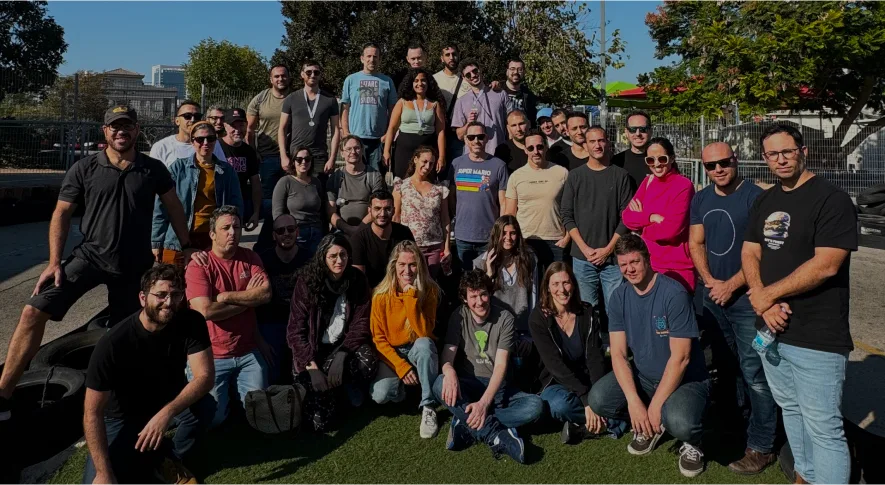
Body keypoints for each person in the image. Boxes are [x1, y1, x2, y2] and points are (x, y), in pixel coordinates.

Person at [0, 106, 191, 421]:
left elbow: (174, 206)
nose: (121, 131)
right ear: (105, 131)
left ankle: (134, 404)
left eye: (127, 126)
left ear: (137, 130)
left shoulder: (152, 169)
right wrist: (54, 262)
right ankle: (4, 395)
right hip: (89, 257)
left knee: (136, 332)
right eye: (115, 126)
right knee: (32, 311)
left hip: (134, 265)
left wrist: (188, 245)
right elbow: (61, 213)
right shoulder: (84, 168)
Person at [741, 124, 857, 485]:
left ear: (803, 151)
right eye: (772, 154)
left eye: (787, 151)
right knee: (790, 410)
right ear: (764, 158)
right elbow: (750, 251)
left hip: (816, 335)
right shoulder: (765, 200)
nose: (781, 159)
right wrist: (763, 301)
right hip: (771, 331)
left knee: (824, 427)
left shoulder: (831, 199)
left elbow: (827, 264)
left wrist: (768, 295)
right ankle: (804, 477)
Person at [588, 235, 711, 478]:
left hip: (685, 381)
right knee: (598, 399)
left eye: (634, 262)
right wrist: (634, 401)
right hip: (644, 377)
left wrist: (655, 404)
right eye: (623, 264)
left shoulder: (673, 294)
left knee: (681, 423)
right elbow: (619, 354)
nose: (629, 269)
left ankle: (692, 440)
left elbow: (681, 358)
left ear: (647, 259)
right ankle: (647, 422)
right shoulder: (619, 297)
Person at [82, 264, 215, 484]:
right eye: (161, 295)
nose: (169, 302)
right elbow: (92, 413)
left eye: (176, 295)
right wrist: (103, 473)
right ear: (143, 298)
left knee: (205, 407)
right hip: (121, 416)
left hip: (167, 401)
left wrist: (166, 413)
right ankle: (149, 457)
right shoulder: (113, 343)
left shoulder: (191, 321)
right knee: (100, 479)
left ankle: (169, 458)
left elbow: (205, 377)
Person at [688, 142, 774, 474]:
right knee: (726, 367)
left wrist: (731, 285)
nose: (718, 169)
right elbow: (696, 242)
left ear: (736, 160)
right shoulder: (701, 199)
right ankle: (737, 426)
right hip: (712, 296)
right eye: (711, 165)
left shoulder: (755, 197)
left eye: (724, 162)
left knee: (754, 372)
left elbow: (764, 249)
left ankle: (762, 445)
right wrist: (710, 280)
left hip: (746, 300)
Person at [433, 269, 543, 463]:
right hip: (468, 383)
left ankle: (465, 421)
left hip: (498, 386)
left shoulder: (505, 318)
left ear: (490, 293)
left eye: (483, 294)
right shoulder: (458, 316)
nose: (480, 301)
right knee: (439, 384)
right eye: (473, 296)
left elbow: (500, 366)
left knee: (535, 406)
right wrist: (449, 371)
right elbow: (447, 356)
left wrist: (483, 404)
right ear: (465, 299)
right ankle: (497, 434)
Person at [185, 206, 272, 427]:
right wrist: (247, 300)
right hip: (212, 355)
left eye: (236, 227)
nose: (232, 232)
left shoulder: (251, 258)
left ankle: (234, 398)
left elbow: (265, 294)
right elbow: (205, 311)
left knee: (259, 415)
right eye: (225, 228)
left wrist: (225, 296)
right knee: (214, 419)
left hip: (247, 351)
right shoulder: (199, 265)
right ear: (212, 234)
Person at [288, 234, 377, 432]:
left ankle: (345, 387)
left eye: (343, 255)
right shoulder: (307, 282)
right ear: (323, 257)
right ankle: (334, 393)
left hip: (341, 347)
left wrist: (342, 355)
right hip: (312, 354)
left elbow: (361, 323)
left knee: (368, 361)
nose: (339, 261)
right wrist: (312, 369)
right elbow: (295, 331)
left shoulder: (357, 279)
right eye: (333, 256)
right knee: (319, 423)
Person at [529, 262, 617, 444]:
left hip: (587, 379)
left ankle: (583, 428)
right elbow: (555, 366)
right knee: (559, 405)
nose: (561, 290)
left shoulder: (587, 312)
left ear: (574, 285)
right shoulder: (538, 318)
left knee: (618, 388)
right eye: (555, 284)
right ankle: (612, 422)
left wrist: (596, 397)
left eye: (566, 283)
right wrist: (587, 401)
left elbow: (595, 358)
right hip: (556, 383)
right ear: (547, 287)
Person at [369, 241, 442, 438]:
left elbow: (424, 332)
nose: (407, 270)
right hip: (392, 353)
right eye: (402, 264)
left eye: (412, 264)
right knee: (380, 395)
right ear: (394, 265)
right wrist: (401, 367)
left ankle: (428, 405)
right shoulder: (380, 295)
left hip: (416, 347)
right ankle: (407, 389)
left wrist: (411, 297)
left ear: (420, 265)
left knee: (425, 345)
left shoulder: (430, 290)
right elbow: (378, 339)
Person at [153, 122, 244, 268]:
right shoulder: (178, 168)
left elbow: (236, 206)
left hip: (212, 239)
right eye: (200, 139)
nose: (205, 143)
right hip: (177, 238)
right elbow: (161, 206)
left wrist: (233, 234)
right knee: (172, 279)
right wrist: (156, 241)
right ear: (192, 141)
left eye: (210, 139)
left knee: (206, 280)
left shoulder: (227, 171)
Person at [561, 125, 631, 308]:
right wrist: (584, 249)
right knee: (587, 311)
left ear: (608, 143)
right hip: (583, 257)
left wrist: (608, 249)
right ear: (585, 145)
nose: (597, 145)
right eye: (592, 141)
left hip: (613, 258)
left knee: (616, 309)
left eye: (601, 140)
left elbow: (626, 217)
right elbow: (567, 215)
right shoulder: (575, 176)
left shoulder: (621, 176)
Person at [622, 137, 696, 293]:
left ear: (672, 158)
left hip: (677, 267)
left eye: (662, 159)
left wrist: (641, 229)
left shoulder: (683, 185)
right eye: (651, 160)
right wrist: (651, 217)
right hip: (649, 265)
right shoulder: (648, 182)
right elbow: (627, 217)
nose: (656, 164)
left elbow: (670, 230)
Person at [504, 131, 569, 273]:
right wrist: (513, 240)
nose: (536, 151)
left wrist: (567, 238)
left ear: (546, 147)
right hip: (525, 240)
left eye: (539, 147)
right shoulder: (516, 176)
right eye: (531, 148)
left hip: (556, 240)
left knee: (555, 285)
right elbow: (510, 213)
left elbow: (571, 208)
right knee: (528, 284)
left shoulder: (562, 173)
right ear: (525, 150)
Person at [473, 216, 538, 356]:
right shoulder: (480, 263)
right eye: (504, 233)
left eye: (512, 233)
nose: (508, 238)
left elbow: (534, 297)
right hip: (494, 330)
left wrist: (530, 334)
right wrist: (488, 274)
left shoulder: (529, 259)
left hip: (522, 330)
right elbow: (478, 303)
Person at [258, 214, 311, 383]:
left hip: (301, 324)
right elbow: (254, 303)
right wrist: (259, 340)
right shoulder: (262, 260)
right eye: (281, 231)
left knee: (302, 376)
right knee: (272, 376)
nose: (286, 233)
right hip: (271, 324)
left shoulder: (309, 259)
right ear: (274, 235)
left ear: (297, 232)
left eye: (290, 229)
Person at [450, 122, 509, 266]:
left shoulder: (499, 165)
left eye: (480, 137)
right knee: (465, 277)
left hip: (489, 236)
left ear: (487, 138)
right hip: (462, 235)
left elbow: (503, 203)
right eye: (471, 137)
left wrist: (501, 232)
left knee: (488, 275)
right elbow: (451, 197)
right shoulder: (456, 164)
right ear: (465, 139)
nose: (476, 141)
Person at [248, 65, 292, 252]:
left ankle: (287, 241)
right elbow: (250, 129)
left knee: (290, 203)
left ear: (289, 77)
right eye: (276, 76)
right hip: (267, 157)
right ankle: (266, 244)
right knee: (269, 204)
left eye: (283, 76)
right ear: (271, 79)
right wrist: (254, 152)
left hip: (291, 158)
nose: (280, 79)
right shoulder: (261, 99)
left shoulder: (295, 98)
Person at [393, 146, 452, 277]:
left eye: (431, 163)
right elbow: (396, 216)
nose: (427, 166)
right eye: (424, 162)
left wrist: (447, 247)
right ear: (415, 159)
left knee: (430, 282)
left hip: (434, 246)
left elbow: (445, 219)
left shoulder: (439, 189)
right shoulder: (401, 186)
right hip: (410, 246)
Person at [341, 42, 398, 172]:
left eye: (375, 56)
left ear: (380, 59)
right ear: (362, 58)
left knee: (377, 177)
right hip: (356, 138)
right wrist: (345, 131)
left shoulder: (387, 81)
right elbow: (345, 108)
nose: (372, 59)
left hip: (379, 140)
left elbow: (393, 111)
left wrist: (388, 133)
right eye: (369, 56)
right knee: (356, 175)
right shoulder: (351, 80)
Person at [279, 60, 340, 178]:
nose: (312, 75)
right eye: (308, 72)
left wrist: (332, 158)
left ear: (320, 75)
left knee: (319, 188)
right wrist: (283, 156)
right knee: (296, 188)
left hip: (319, 156)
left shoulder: (330, 100)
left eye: (316, 72)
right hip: (296, 155)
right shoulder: (291, 98)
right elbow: (282, 128)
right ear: (302, 74)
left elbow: (336, 129)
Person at [383, 68, 446, 180]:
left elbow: (440, 132)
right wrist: (386, 151)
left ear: (428, 83)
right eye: (416, 81)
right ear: (411, 83)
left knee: (426, 182)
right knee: (402, 183)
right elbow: (392, 128)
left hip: (427, 152)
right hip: (403, 151)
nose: (420, 83)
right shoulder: (402, 102)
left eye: (423, 80)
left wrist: (441, 156)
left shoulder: (435, 104)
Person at [351, 190, 416, 288]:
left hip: (400, 288)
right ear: (369, 210)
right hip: (370, 291)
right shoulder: (359, 238)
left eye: (387, 209)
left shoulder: (404, 233)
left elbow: (414, 266)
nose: (382, 214)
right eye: (377, 208)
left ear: (393, 210)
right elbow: (359, 278)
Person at [326, 135, 386, 236]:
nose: (353, 152)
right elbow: (330, 212)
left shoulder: (374, 176)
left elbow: (378, 208)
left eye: (357, 148)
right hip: (341, 231)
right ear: (342, 153)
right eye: (348, 149)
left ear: (362, 150)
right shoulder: (335, 177)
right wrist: (347, 229)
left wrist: (359, 229)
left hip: (368, 230)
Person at [273, 146, 326, 256]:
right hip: (296, 233)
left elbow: (322, 211)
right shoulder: (285, 182)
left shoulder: (316, 182)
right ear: (293, 161)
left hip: (316, 233)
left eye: (307, 159)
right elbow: (277, 213)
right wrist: (286, 233)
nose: (304, 162)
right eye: (299, 159)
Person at [451, 59, 512, 156]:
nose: (473, 75)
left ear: (480, 70)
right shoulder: (461, 101)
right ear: (464, 78)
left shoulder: (500, 93)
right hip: (473, 156)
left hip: (498, 152)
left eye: (475, 71)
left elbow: (511, 123)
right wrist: (468, 124)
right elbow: (460, 135)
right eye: (468, 75)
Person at [219, 107, 261, 232]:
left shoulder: (249, 151)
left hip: (239, 203)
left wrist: (256, 212)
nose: (237, 130)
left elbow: (255, 183)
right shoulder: (216, 147)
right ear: (225, 126)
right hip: (219, 201)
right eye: (233, 126)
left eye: (241, 125)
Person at [149, 101, 227, 166]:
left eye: (197, 116)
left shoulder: (211, 143)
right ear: (177, 121)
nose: (193, 120)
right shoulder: (161, 147)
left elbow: (224, 170)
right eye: (187, 116)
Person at [433, 43, 471, 164]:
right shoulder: (434, 80)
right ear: (442, 58)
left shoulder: (468, 78)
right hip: (439, 133)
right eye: (447, 55)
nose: (451, 57)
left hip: (460, 134)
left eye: (454, 54)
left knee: (459, 167)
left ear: (459, 55)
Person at [611, 110, 653, 191]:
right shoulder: (617, 162)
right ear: (626, 132)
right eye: (633, 129)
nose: (638, 133)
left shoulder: (661, 161)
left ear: (650, 131)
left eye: (643, 129)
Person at [502, 58, 538, 126]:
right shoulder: (497, 91)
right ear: (507, 72)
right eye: (512, 69)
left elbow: (532, 121)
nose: (516, 72)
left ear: (524, 72)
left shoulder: (529, 96)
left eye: (520, 69)